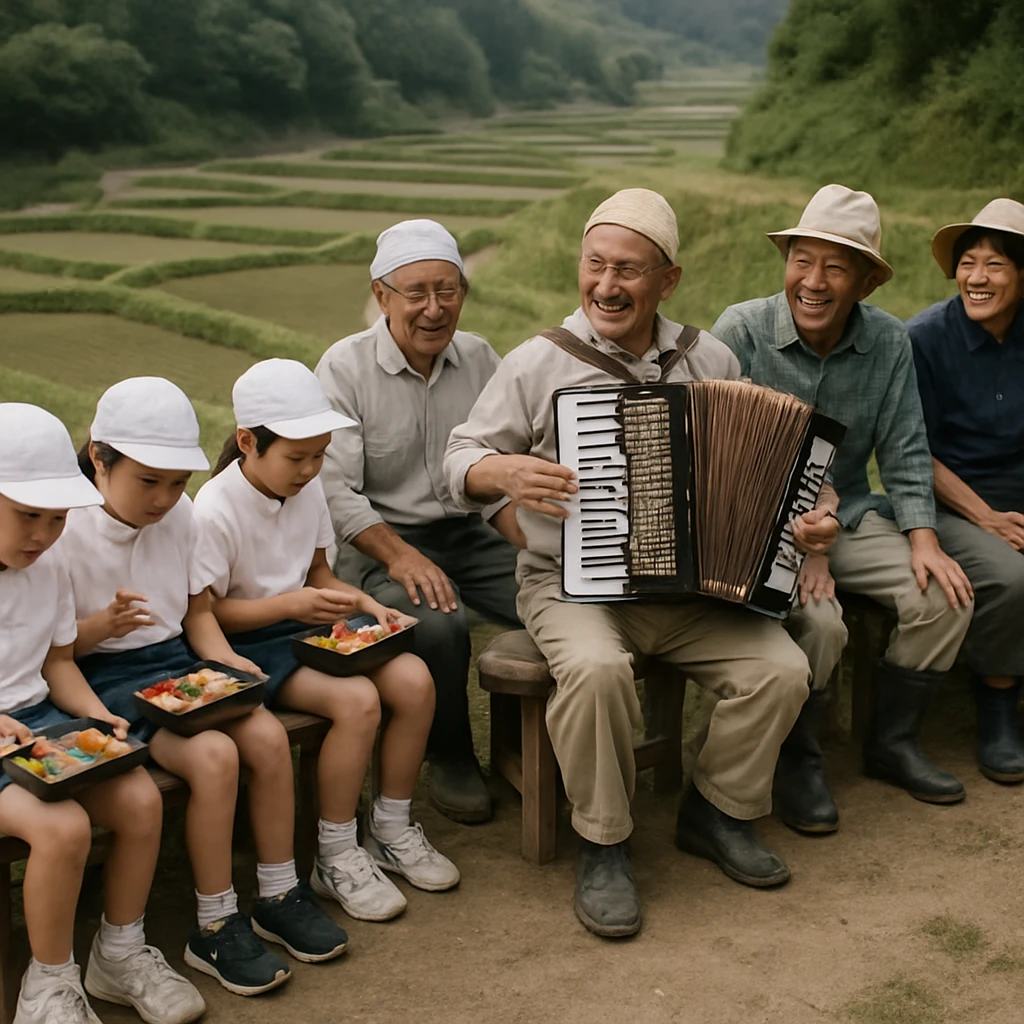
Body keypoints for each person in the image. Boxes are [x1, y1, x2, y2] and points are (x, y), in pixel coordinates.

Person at [444, 188, 813, 938]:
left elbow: (756, 470)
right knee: (598, 671)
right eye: (595, 266)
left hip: (691, 591)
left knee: (781, 672)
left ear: (667, 281)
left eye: (629, 271)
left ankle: (714, 812)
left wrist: (803, 519)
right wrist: (505, 474)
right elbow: (458, 461)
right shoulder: (540, 360)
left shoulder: (707, 357)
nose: (607, 286)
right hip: (570, 588)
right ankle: (603, 842)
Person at [56, 377, 348, 998]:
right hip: (100, 678)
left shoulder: (182, 513)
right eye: (148, 481)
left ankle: (279, 892)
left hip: (178, 664)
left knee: (265, 735)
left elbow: (196, 616)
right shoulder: (64, 527)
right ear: (100, 458)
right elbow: (53, 652)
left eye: (175, 482)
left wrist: (233, 668)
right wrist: (99, 627)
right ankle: (215, 921)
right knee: (215, 756)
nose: (165, 498)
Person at [713, 184, 975, 829]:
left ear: (865, 282)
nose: (814, 281)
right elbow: (719, 456)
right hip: (754, 522)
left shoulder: (888, 342)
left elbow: (908, 449)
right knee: (823, 623)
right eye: (803, 260)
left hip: (852, 513)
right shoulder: (741, 329)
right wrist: (796, 540)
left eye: (836, 267)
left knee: (943, 598)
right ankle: (801, 756)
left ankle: (891, 743)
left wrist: (922, 538)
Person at [192, 358, 459, 924]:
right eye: (298, 456)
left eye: (319, 454)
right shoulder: (213, 508)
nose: (311, 469)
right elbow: (207, 614)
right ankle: (336, 852)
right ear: (248, 442)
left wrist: (367, 604)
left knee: (413, 679)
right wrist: (288, 605)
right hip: (247, 648)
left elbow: (318, 575)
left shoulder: (306, 489)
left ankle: (390, 827)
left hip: (303, 632)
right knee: (358, 700)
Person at [0, 402, 204, 1024]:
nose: (42, 534)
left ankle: (118, 953)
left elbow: (57, 665)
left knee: (140, 799)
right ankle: (49, 985)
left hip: (37, 728)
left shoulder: (48, 562)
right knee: (63, 829)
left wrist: (97, 718)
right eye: (26, 516)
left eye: (58, 517)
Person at [315, 219, 521, 825]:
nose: (435, 309)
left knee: (558, 587)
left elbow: (513, 453)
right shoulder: (344, 370)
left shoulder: (482, 358)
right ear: (382, 296)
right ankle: (452, 755)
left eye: (448, 290)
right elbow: (332, 485)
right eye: (417, 293)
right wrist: (399, 554)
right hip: (383, 542)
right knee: (437, 623)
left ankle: (544, 746)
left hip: (475, 531)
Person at [908, 198, 1024, 782]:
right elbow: (911, 453)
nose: (977, 277)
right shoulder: (926, 338)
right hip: (953, 499)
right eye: (968, 263)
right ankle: (998, 704)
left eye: (996, 264)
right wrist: (989, 518)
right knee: (1009, 575)